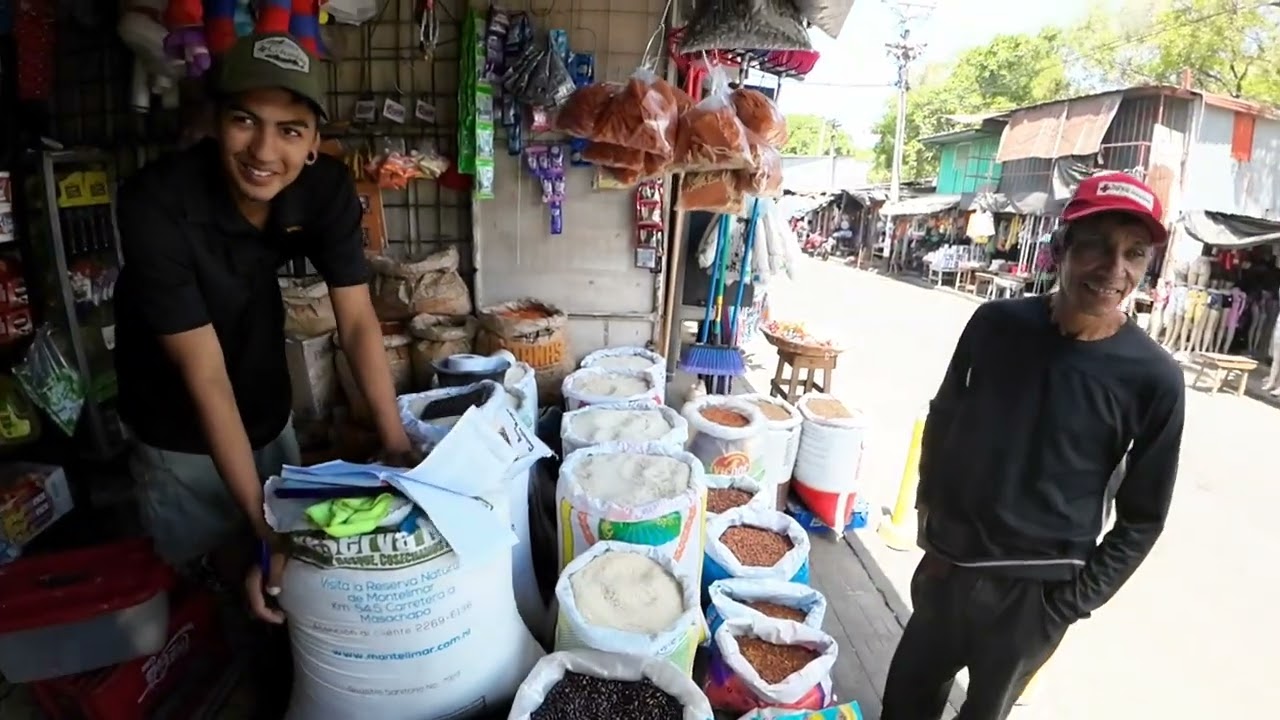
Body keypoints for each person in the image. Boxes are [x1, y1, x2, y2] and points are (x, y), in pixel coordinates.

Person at [113, 33, 416, 624]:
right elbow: (201, 370)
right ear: (215, 123)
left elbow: (355, 319)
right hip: (176, 423)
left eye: (290, 130)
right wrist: (262, 528)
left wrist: (396, 439)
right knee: (209, 597)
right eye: (245, 120)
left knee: (285, 591)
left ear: (312, 145)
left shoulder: (324, 189)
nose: (263, 149)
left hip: (264, 403)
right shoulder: (156, 203)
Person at [880, 172, 1186, 720]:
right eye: (1097, 245)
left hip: (1037, 595)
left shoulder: (1154, 377)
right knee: (904, 702)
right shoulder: (995, 324)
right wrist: (930, 524)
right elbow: (944, 417)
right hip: (950, 568)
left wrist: (1071, 603)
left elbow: (1144, 518)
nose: (1115, 270)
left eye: (1134, 254)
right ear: (1060, 247)